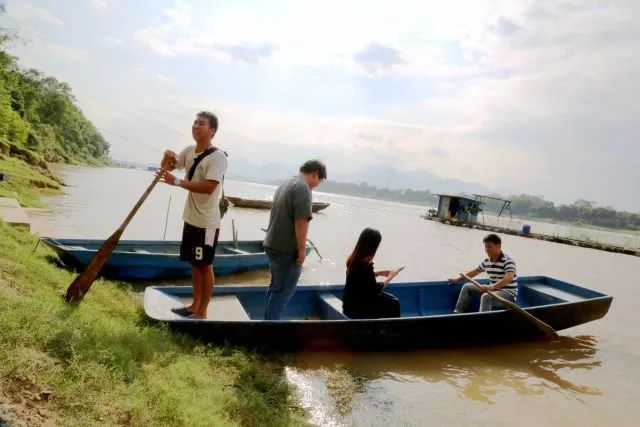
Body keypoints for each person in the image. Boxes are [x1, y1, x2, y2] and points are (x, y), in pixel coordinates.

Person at [156, 111, 228, 319]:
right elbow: (168, 168)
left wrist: (176, 182)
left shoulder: (218, 157)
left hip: (206, 223)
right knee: (194, 264)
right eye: (195, 123)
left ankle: (202, 312)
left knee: (204, 266)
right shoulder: (189, 151)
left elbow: (208, 187)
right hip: (191, 218)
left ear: (212, 131)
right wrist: (166, 157)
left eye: (202, 124)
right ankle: (194, 306)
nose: (196, 126)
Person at [263, 160, 327, 320]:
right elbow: (301, 221)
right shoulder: (303, 188)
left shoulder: (287, 183)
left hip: (272, 244)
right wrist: (301, 249)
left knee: (275, 289)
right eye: (319, 181)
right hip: (285, 249)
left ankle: (266, 324)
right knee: (282, 293)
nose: (316, 185)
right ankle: (269, 333)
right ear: (315, 174)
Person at [342, 228, 403, 319]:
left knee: (390, 299)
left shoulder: (353, 258)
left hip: (348, 303)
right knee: (394, 302)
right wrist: (391, 276)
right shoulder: (365, 264)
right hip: (358, 308)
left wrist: (378, 273)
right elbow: (375, 289)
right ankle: (390, 331)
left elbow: (360, 278)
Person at [449, 233, 518, 313]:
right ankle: (458, 312)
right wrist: (457, 279)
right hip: (493, 291)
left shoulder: (508, 261)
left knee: (486, 297)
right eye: (485, 247)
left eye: (489, 247)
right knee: (467, 287)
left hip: (508, 295)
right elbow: (475, 272)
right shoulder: (486, 261)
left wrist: (491, 287)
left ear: (499, 246)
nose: (487, 249)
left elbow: (508, 278)